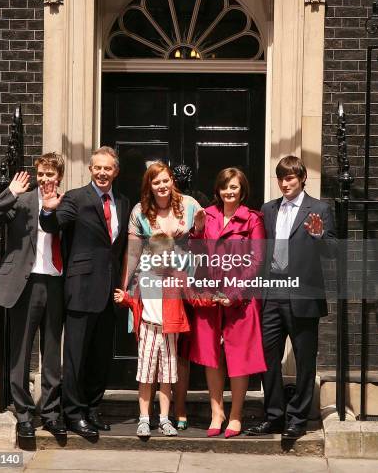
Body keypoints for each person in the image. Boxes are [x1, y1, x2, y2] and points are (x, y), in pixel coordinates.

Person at [39, 146, 130, 439]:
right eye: (97, 168)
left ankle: (91, 409)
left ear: (116, 171)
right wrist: (48, 208)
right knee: (76, 355)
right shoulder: (76, 198)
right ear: (90, 169)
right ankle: (73, 413)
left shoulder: (124, 202)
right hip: (81, 288)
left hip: (110, 290)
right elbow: (52, 224)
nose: (102, 173)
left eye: (108, 168)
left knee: (100, 355)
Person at [244, 156, 337, 439]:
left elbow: (333, 252)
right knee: (267, 358)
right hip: (272, 293)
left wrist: (320, 235)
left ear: (302, 178)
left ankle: (297, 419)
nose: (285, 183)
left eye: (291, 178)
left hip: (302, 295)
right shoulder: (269, 209)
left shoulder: (319, 208)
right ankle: (274, 416)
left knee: (304, 360)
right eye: (281, 178)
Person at [0, 153, 66, 439]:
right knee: (21, 350)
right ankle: (24, 414)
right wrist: (10, 193)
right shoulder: (21, 200)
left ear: (59, 177)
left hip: (55, 283)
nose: (44, 179)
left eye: (50, 174)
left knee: (52, 353)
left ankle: (52, 413)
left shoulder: (66, 203)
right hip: (24, 284)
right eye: (41, 173)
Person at [121, 161, 204, 434]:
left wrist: (196, 230)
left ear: (172, 181)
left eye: (165, 180)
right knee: (149, 359)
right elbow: (133, 253)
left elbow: (204, 243)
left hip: (183, 281)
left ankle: (176, 409)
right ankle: (148, 415)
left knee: (179, 353)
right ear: (149, 185)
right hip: (152, 284)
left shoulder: (190, 205)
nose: (162, 186)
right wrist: (126, 290)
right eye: (156, 182)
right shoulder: (139, 211)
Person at [188, 167, 267, 438]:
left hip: (240, 300)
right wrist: (197, 231)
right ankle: (216, 412)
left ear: (242, 190)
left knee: (238, 357)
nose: (229, 191)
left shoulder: (253, 220)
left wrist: (233, 294)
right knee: (212, 356)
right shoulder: (207, 215)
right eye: (225, 187)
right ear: (218, 190)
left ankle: (235, 415)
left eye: (234, 187)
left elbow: (257, 261)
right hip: (210, 297)